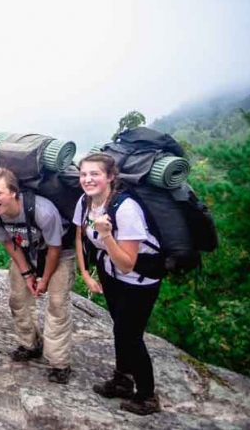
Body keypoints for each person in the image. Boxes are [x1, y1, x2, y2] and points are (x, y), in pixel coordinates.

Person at [74, 153, 163, 415]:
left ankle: (147, 396)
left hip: (139, 280)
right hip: (109, 273)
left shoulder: (126, 209)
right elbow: (79, 237)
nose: (87, 180)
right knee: (120, 329)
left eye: (95, 174)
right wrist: (86, 273)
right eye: (83, 174)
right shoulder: (85, 201)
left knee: (131, 335)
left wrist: (105, 234)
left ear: (111, 177)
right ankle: (122, 380)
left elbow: (127, 263)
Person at [0, 168, 76, 384]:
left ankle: (59, 363)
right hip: (26, 250)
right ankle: (29, 344)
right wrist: (27, 274)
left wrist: (43, 280)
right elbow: (8, 242)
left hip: (59, 254)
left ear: (14, 192)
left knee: (57, 304)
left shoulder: (43, 210)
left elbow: (55, 248)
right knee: (17, 298)